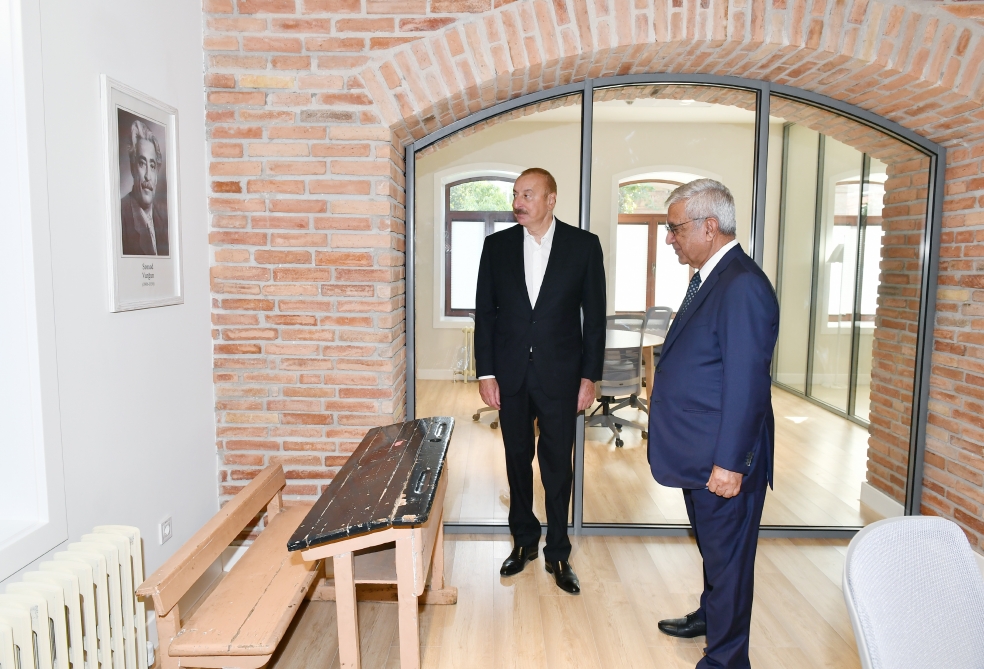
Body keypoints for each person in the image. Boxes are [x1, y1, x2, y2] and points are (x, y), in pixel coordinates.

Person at [647, 179, 779, 668]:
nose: (670, 238)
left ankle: (726, 660)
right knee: (716, 552)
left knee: (729, 562)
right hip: (699, 452)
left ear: (709, 226)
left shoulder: (741, 285)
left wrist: (730, 463)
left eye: (675, 228)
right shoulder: (712, 277)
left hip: (722, 460)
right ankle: (710, 615)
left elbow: (748, 385)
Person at [474, 167, 606, 594]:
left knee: (557, 468)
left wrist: (590, 377)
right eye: (516, 194)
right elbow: (485, 314)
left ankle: (558, 552)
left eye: (528, 194)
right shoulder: (496, 247)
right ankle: (523, 542)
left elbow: (595, 318)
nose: (518, 202)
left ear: (551, 200)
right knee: (516, 461)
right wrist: (486, 372)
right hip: (510, 375)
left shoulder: (583, 246)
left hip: (561, 376)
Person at [120, 119, 169, 256]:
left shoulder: (164, 218)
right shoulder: (121, 216)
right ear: (133, 168)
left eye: (152, 166)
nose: (148, 176)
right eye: (142, 164)